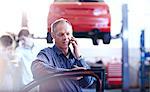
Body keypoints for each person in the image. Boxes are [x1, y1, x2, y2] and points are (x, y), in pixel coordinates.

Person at [31, 18, 94, 92]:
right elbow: (37, 68)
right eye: (61, 34)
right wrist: (68, 73)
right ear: (53, 35)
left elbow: (88, 83)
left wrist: (79, 57)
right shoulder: (47, 53)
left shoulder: (76, 57)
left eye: (68, 34)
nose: (65, 38)